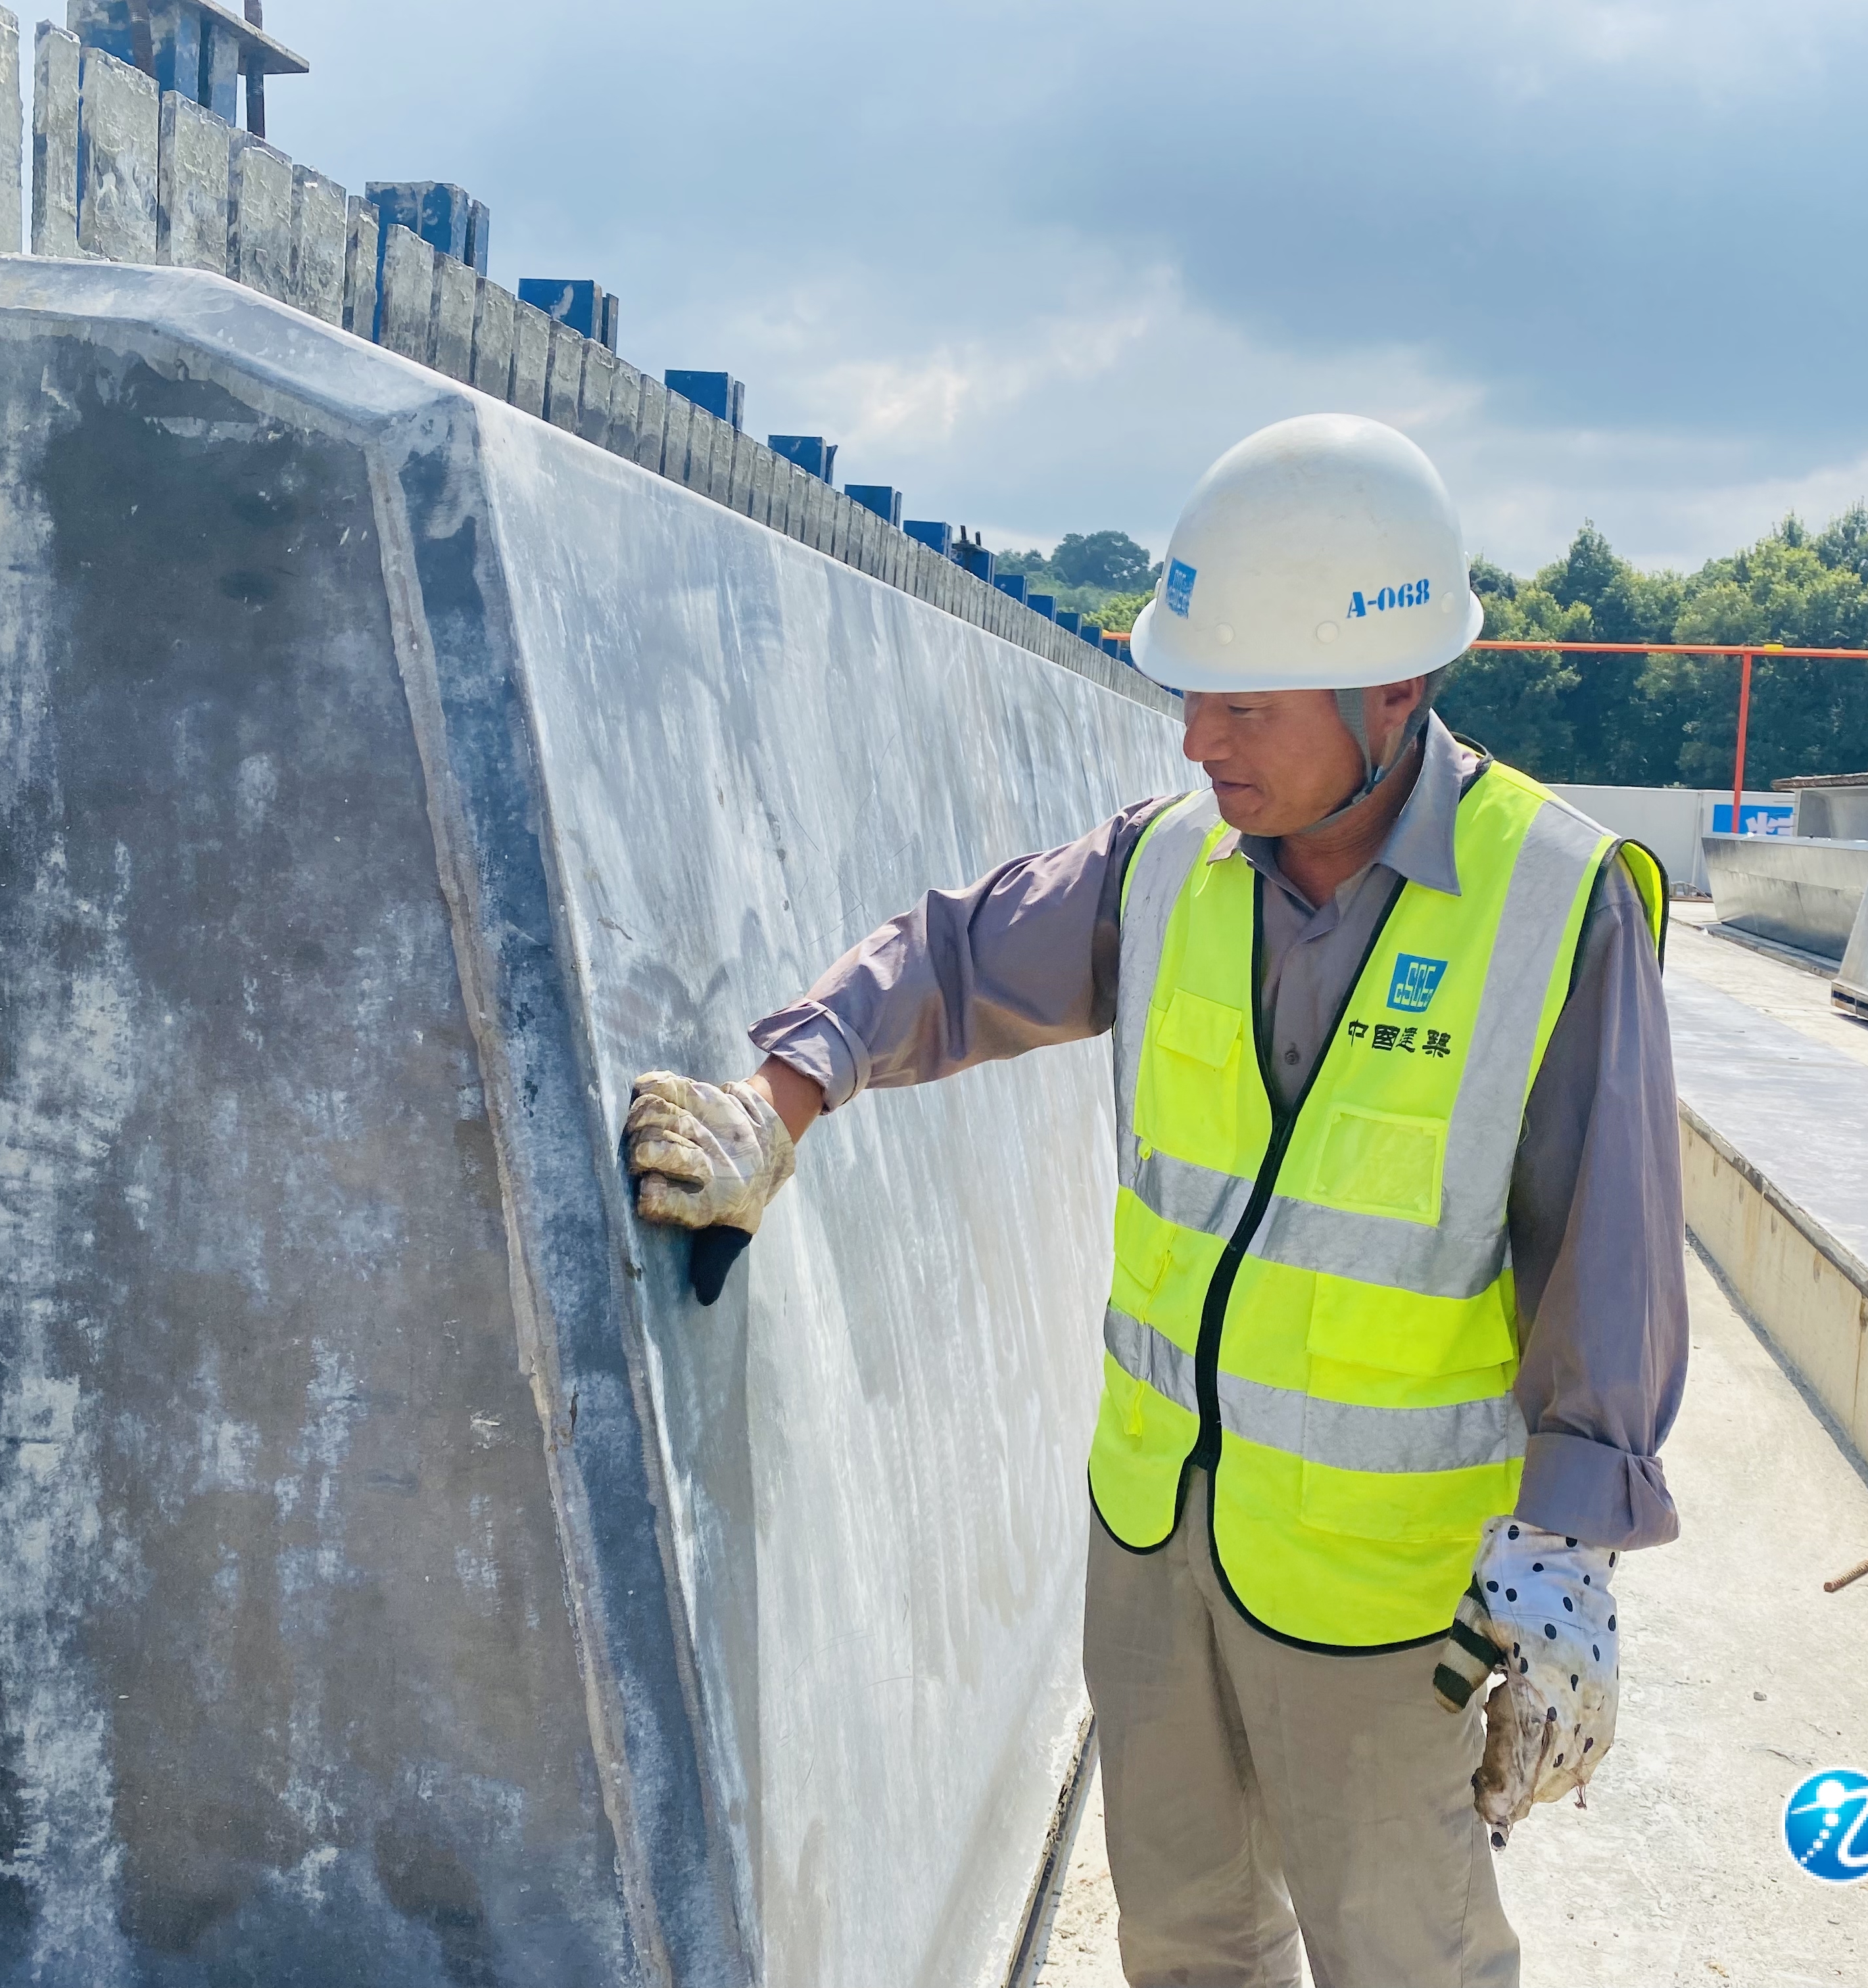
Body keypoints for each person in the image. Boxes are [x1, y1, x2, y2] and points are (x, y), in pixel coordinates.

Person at [620, 414, 1687, 1988]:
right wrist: (775, 1104)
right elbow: (958, 956)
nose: (1200, 740)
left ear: (1393, 693)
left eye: (1245, 704)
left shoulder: (1557, 905)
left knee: (1411, 1961)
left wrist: (1570, 1561)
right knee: (1186, 1946)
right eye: (1194, 694)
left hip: (1386, 1607)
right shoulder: (1172, 866)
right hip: (1157, 1548)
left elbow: (1616, 1251)